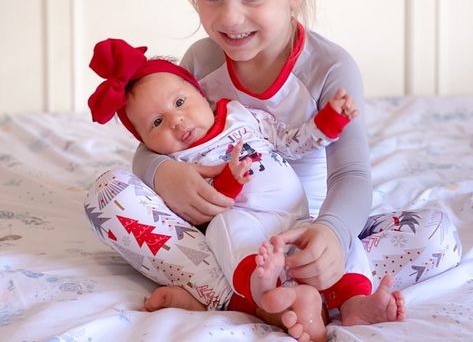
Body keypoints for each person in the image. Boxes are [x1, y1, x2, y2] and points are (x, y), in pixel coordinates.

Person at [84, 0, 461, 340]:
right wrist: (162, 173)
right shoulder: (200, 60)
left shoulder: (330, 67)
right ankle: (245, 292)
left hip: (304, 226)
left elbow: (352, 175)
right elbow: (156, 135)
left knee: (438, 236)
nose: (230, 17)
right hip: (226, 236)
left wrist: (331, 235)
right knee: (108, 193)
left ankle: (287, 286)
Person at [87, 37, 403, 340]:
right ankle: (266, 294)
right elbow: (210, 204)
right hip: (240, 218)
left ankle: (353, 303)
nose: (177, 121)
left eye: (180, 102)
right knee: (230, 236)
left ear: (200, 92)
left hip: (294, 214)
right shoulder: (177, 159)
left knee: (346, 246)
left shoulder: (241, 114)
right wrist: (229, 180)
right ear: (144, 141)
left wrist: (329, 121)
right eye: (156, 123)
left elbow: (291, 142)